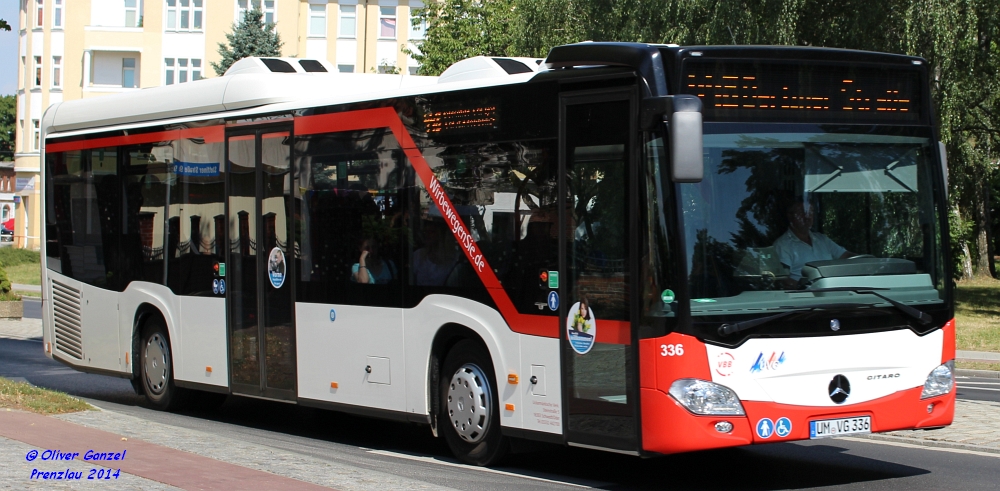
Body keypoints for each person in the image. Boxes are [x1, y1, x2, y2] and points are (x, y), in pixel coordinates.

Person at [773, 201, 855, 288]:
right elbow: (783, 280)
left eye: (810, 212)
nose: (807, 216)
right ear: (790, 216)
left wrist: (867, 261)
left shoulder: (822, 240)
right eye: (802, 212)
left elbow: (847, 256)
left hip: (835, 292)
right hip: (805, 297)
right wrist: (804, 287)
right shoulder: (782, 245)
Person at [411, 219, 459, 286]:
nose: (427, 235)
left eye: (431, 232)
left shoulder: (455, 258)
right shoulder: (418, 255)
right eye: (425, 232)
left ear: (441, 234)